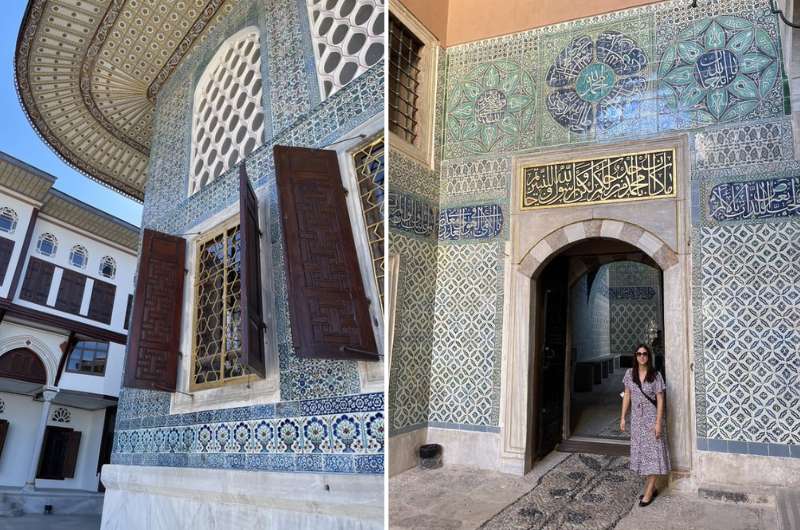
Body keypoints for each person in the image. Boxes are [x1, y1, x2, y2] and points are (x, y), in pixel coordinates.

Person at [620, 343, 670, 507]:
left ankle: (649, 491)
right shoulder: (629, 374)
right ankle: (652, 486)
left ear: (649, 357)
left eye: (645, 354)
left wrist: (658, 423)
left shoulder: (655, 375)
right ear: (635, 356)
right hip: (637, 421)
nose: (642, 356)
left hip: (651, 420)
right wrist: (622, 417)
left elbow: (660, 399)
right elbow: (627, 395)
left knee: (654, 454)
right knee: (643, 454)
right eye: (639, 354)